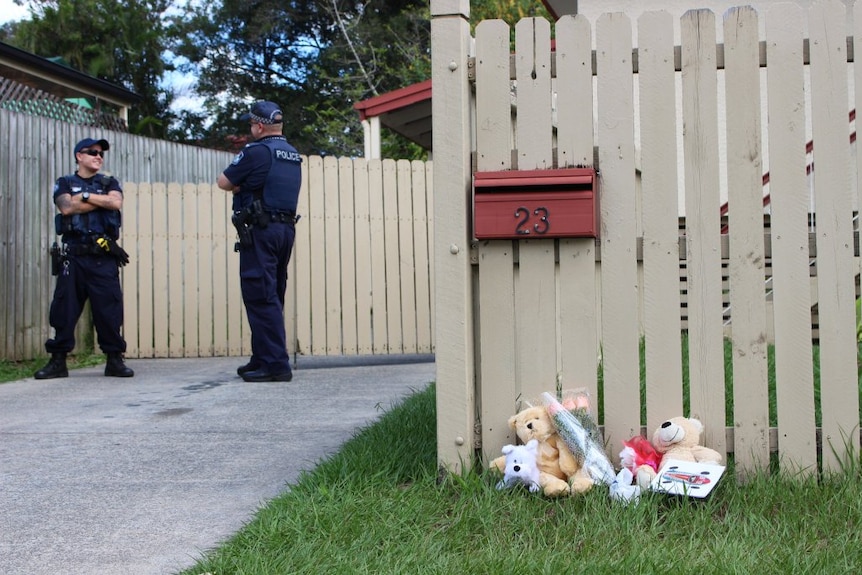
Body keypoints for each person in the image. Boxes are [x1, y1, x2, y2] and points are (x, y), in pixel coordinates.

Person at [34, 138, 134, 380]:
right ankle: (58, 361)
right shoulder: (65, 182)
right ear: (79, 156)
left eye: (101, 153)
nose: (98, 156)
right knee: (64, 309)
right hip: (74, 257)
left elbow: (116, 202)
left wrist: (85, 197)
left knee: (109, 310)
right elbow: (66, 207)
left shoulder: (109, 182)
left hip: (103, 257)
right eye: (93, 152)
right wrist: (97, 200)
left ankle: (114, 360)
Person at [217, 101, 302, 382]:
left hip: (261, 231)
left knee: (260, 295)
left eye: (251, 124)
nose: (250, 128)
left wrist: (242, 185)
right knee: (272, 293)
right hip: (284, 230)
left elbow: (224, 182)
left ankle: (276, 365)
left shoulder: (256, 151)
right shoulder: (290, 153)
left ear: (259, 126)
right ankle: (262, 356)